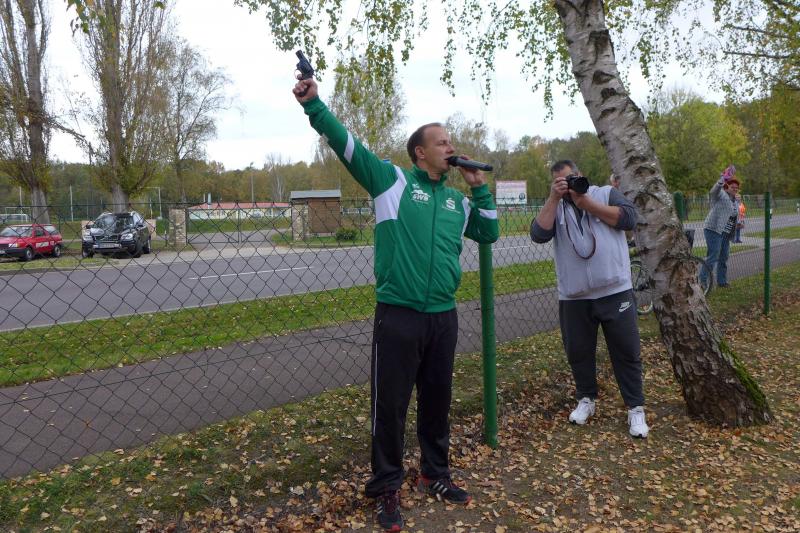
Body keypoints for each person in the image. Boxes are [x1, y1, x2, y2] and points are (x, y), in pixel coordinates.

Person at [293, 77, 499, 532]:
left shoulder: (455, 201)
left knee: (437, 401)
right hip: (398, 315)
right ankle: (386, 486)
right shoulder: (392, 182)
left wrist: (478, 187)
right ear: (420, 152)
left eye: (451, 142)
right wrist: (315, 106)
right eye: (442, 142)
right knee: (390, 407)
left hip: (443, 316)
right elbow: (349, 147)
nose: (451, 147)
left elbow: (489, 231)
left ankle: (435, 474)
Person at [530, 161, 648, 438]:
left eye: (572, 178)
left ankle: (635, 407)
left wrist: (586, 203)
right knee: (578, 352)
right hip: (574, 295)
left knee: (626, 350)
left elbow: (629, 218)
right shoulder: (556, 207)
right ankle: (586, 398)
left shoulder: (604, 193)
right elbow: (538, 234)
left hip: (615, 289)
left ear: (581, 175)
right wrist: (553, 198)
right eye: (562, 181)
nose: (569, 184)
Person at [700, 165, 740, 288]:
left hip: (725, 233)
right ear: (727, 187)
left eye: (736, 188)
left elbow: (734, 215)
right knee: (713, 256)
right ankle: (702, 281)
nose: (735, 189)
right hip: (713, 229)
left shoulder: (735, 200)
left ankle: (722, 282)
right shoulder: (721, 195)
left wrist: (738, 222)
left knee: (724, 257)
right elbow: (713, 191)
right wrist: (722, 179)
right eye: (732, 187)